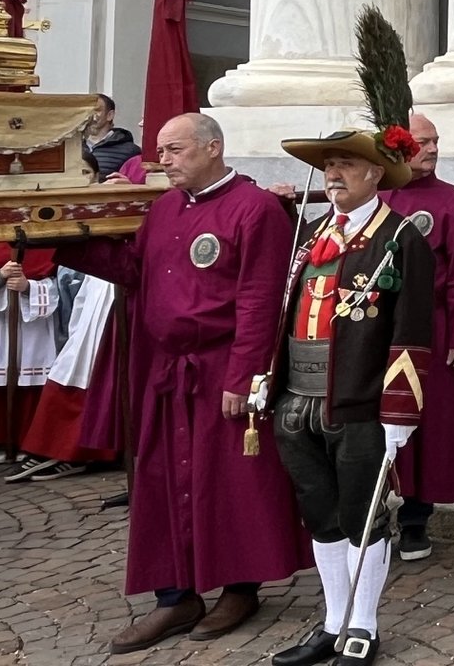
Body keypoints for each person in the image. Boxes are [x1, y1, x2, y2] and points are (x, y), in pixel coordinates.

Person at [56, 112, 309, 654]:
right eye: (160, 151)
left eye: (174, 150)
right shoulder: (165, 208)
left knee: (232, 482)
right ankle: (176, 596)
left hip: (223, 371)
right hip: (167, 373)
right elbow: (134, 270)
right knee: (162, 479)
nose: (162, 160)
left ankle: (240, 587)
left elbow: (261, 300)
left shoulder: (256, 209)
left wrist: (245, 374)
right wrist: (58, 239)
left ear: (212, 148)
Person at [264, 8, 436, 666]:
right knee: (322, 512)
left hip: (360, 400)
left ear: (374, 174)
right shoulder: (314, 237)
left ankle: (364, 621)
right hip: (298, 398)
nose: (333, 174)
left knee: (367, 512)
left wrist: (400, 414)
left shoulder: (401, 238)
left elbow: (413, 331)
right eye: (329, 165)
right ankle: (331, 620)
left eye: (345, 165)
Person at [383, 112, 454, 563]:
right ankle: (369, 514)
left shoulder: (451, 201)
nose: (432, 149)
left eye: (435, 141)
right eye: (422, 142)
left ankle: (414, 519)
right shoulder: (373, 196)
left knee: (425, 425)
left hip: (432, 329)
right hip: (375, 330)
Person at [9, 269, 119, 482]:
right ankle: (48, 450)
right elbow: (80, 299)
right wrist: (74, 333)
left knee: (98, 380)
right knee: (68, 371)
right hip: (91, 316)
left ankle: (79, 454)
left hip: (114, 315)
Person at [0, 248, 59, 465]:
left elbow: (56, 289)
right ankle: (1, 441)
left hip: (35, 330)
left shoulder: (49, 250)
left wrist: (28, 288)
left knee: (31, 383)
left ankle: (28, 442)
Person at [82, 93, 141, 182]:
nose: (90, 115)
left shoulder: (130, 151)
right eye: (87, 110)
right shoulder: (73, 147)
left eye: (96, 110)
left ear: (110, 115)